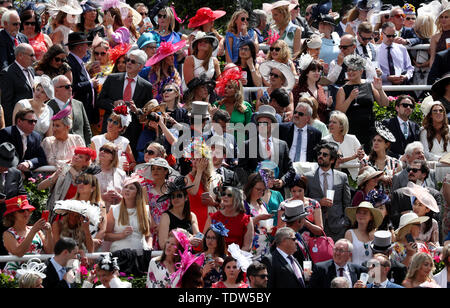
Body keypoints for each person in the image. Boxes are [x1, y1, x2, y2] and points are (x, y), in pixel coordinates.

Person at [97, 49, 153, 155]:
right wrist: (113, 104)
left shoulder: (146, 86)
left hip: (131, 132)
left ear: (140, 66)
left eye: (133, 61)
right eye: (128, 60)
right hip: (110, 128)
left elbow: (147, 112)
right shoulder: (112, 79)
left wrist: (136, 110)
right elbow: (100, 101)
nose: (128, 63)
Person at [335, 54, 389, 150]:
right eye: (349, 70)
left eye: (354, 70)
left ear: (361, 71)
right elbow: (339, 112)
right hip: (352, 129)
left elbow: (384, 104)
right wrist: (350, 98)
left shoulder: (369, 85)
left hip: (369, 128)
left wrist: (380, 90)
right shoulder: (342, 89)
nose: (350, 72)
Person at [305, 141, 351, 241]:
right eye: (319, 154)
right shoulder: (308, 177)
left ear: (332, 160)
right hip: (315, 227)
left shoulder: (342, 177)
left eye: (325, 155)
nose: (320, 156)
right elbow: (304, 200)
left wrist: (345, 223)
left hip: (338, 227)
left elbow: (347, 203)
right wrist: (319, 202)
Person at [239, 105, 294, 185]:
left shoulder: (282, 145)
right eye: (259, 124)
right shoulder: (247, 145)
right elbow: (241, 170)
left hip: (277, 192)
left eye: (265, 123)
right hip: (256, 192)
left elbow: (290, 170)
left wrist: (282, 181)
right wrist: (255, 182)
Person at [2, 195, 53, 272]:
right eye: (21, 211)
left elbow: (50, 251)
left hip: (36, 271)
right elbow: (19, 253)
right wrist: (33, 231)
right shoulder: (8, 234)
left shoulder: (36, 230)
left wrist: (49, 232)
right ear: (12, 215)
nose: (26, 213)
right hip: (16, 273)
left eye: (28, 210)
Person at [38, 146, 96, 211]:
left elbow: (78, 180)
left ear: (86, 162)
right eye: (75, 154)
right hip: (57, 209)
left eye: (80, 157)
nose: (76, 157)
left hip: (76, 211)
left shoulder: (89, 176)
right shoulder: (64, 169)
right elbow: (40, 187)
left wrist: (69, 168)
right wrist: (55, 176)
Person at [105, 175, 152, 252]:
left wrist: (149, 246)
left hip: (140, 254)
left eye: (131, 188)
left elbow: (148, 235)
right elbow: (106, 235)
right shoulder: (114, 209)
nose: (127, 190)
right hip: (119, 253)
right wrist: (122, 235)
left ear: (137, 193)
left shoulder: (145, 210)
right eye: (125, 187)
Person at [203, 187, 253, 251]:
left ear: (237, 199)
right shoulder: (213, 217)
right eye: (223, 194)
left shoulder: (246, 220)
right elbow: (204, 240)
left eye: (229, 195)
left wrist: (234, 258)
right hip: (215, 257)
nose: (225, 197)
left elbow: (247, 246)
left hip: (236, 258)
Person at [47, 75, 92, 146]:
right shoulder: (48, 107)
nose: (70, 89)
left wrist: (88, 147)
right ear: (55, 89)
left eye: (71, 86)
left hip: (80, 149)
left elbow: (87, 130)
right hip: (60, 150)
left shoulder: (78, 104)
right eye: (67, 87)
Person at [157, 176, 200, 249]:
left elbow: (198, 236)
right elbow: (162, 243)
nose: (175, 198)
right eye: (172, 196)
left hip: (188, 256)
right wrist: (187, 240)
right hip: (173, 255)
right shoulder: (166, 216)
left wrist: (196, 239)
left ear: (186, 198)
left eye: (179, 195)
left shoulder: (192, 215)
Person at [66, 32, 99, 126]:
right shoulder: (70, 63)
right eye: (86, 45)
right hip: (78, 112)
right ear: (79, 47)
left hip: (85, 111)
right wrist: (90, 83)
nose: (88, 48)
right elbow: (72, 87)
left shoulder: (78, 61)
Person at [90, 106, 136, 172]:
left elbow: (133, 163)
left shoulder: (125, 142)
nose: (110, 124)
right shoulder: (96, 140)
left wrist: (128, 167)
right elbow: (90, 161)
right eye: (110, 120)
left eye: (115, 123)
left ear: (121, 128)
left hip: (118, 176)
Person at [0, 43, 35, 126]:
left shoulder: (31, 70)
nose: (34, 59)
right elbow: (6, 103)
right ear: (20, 56)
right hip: (18, 122)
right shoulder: (7, 73)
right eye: (31, 55)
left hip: (32, 119)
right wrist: (12, 125)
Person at [243, 172, 277, 257]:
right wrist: (258, 218)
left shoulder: (263, 204)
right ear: (250, 188)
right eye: (258, 189)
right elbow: (242, 226)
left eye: (263, 190)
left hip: (265, 247)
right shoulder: (244, 205)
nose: (261, 192)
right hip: (252, 249)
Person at [323, 110, 364, 181]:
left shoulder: (352, 138)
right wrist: (354, 156)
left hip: (355, 177)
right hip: (333, 178)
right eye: (330, 122)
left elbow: (363, 156)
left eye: (334, 122)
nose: (330, 125)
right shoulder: (325, 140)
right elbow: (337, 160)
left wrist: (361, 156)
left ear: (342, 126)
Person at [73, 170, 107, 251]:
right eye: (79, 181)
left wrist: (91, 248)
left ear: (93, 188)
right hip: (74, 247)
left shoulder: (101, 205)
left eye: (85, 182)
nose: (81, 184)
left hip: (94, 246)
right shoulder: (70, 204)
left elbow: (102, 229)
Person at [344, 201, 384, 266]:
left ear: (371, 217)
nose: (361, 215)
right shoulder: (349, 233)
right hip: (354, 272)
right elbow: (347, 257)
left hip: (371, 273)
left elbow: (378, 258)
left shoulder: (375, 235)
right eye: (359, 212)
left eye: (365, 213)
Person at [185, 143, 213, 233]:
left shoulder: (208, 178)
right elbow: (193, 191)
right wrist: (199, 171)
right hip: (193, 221)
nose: (195, 162)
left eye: (198, 159)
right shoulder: (187, 178)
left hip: (205, 219)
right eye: (193, 159)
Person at [382, 95, 421, 159]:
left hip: (411, 164)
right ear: (397, 108)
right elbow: (382, 146)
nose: (408, 107)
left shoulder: (415, 126)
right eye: (405, 105)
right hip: (392, 163)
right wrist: (399, 157)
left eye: (411, 106)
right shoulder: (387, 124)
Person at [293, 54, 329, 122]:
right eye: (313, 71)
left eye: (319, 71)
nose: (317, 73)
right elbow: (294, 109)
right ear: (306, 73)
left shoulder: (320, 88)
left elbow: (324, 110)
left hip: (321, 125)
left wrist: (328, 104)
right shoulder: (298, 89)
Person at [376, 22, 414, 86]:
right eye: (388, 36)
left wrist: (406, 76)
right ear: (382, 34)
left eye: (393, 36)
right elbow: (374, 72)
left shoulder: (402, 48)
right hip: (384, 87)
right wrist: (387, 78)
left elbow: (410, 68)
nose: (391, 38)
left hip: (401, 86)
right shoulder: (375, 50)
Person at [406, 182, 440, 246]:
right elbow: (407, 240)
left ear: (427, 209)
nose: (416, 207)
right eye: (415, 204)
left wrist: (434, 245)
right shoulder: (408, 219)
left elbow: (436, 242)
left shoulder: (433, 223)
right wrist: (423, 243)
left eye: (420, 205)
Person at [95, 142, 126, 212]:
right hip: (96, 212)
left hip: (117, 212)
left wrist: (120, 197)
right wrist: (102, 197)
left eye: (107, 151)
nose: (102, 152)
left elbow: (128, 194)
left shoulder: (121, 174)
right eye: (101, 149)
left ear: (113, 157)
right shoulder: (91, 171)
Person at [200, 222, 228, 288]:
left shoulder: (226, 259)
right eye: (208, 237)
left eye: (213, 238)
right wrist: (204, 272)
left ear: (219, 240)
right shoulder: (198, 257)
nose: (210, 240)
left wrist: (225, 267)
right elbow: (192, 282)